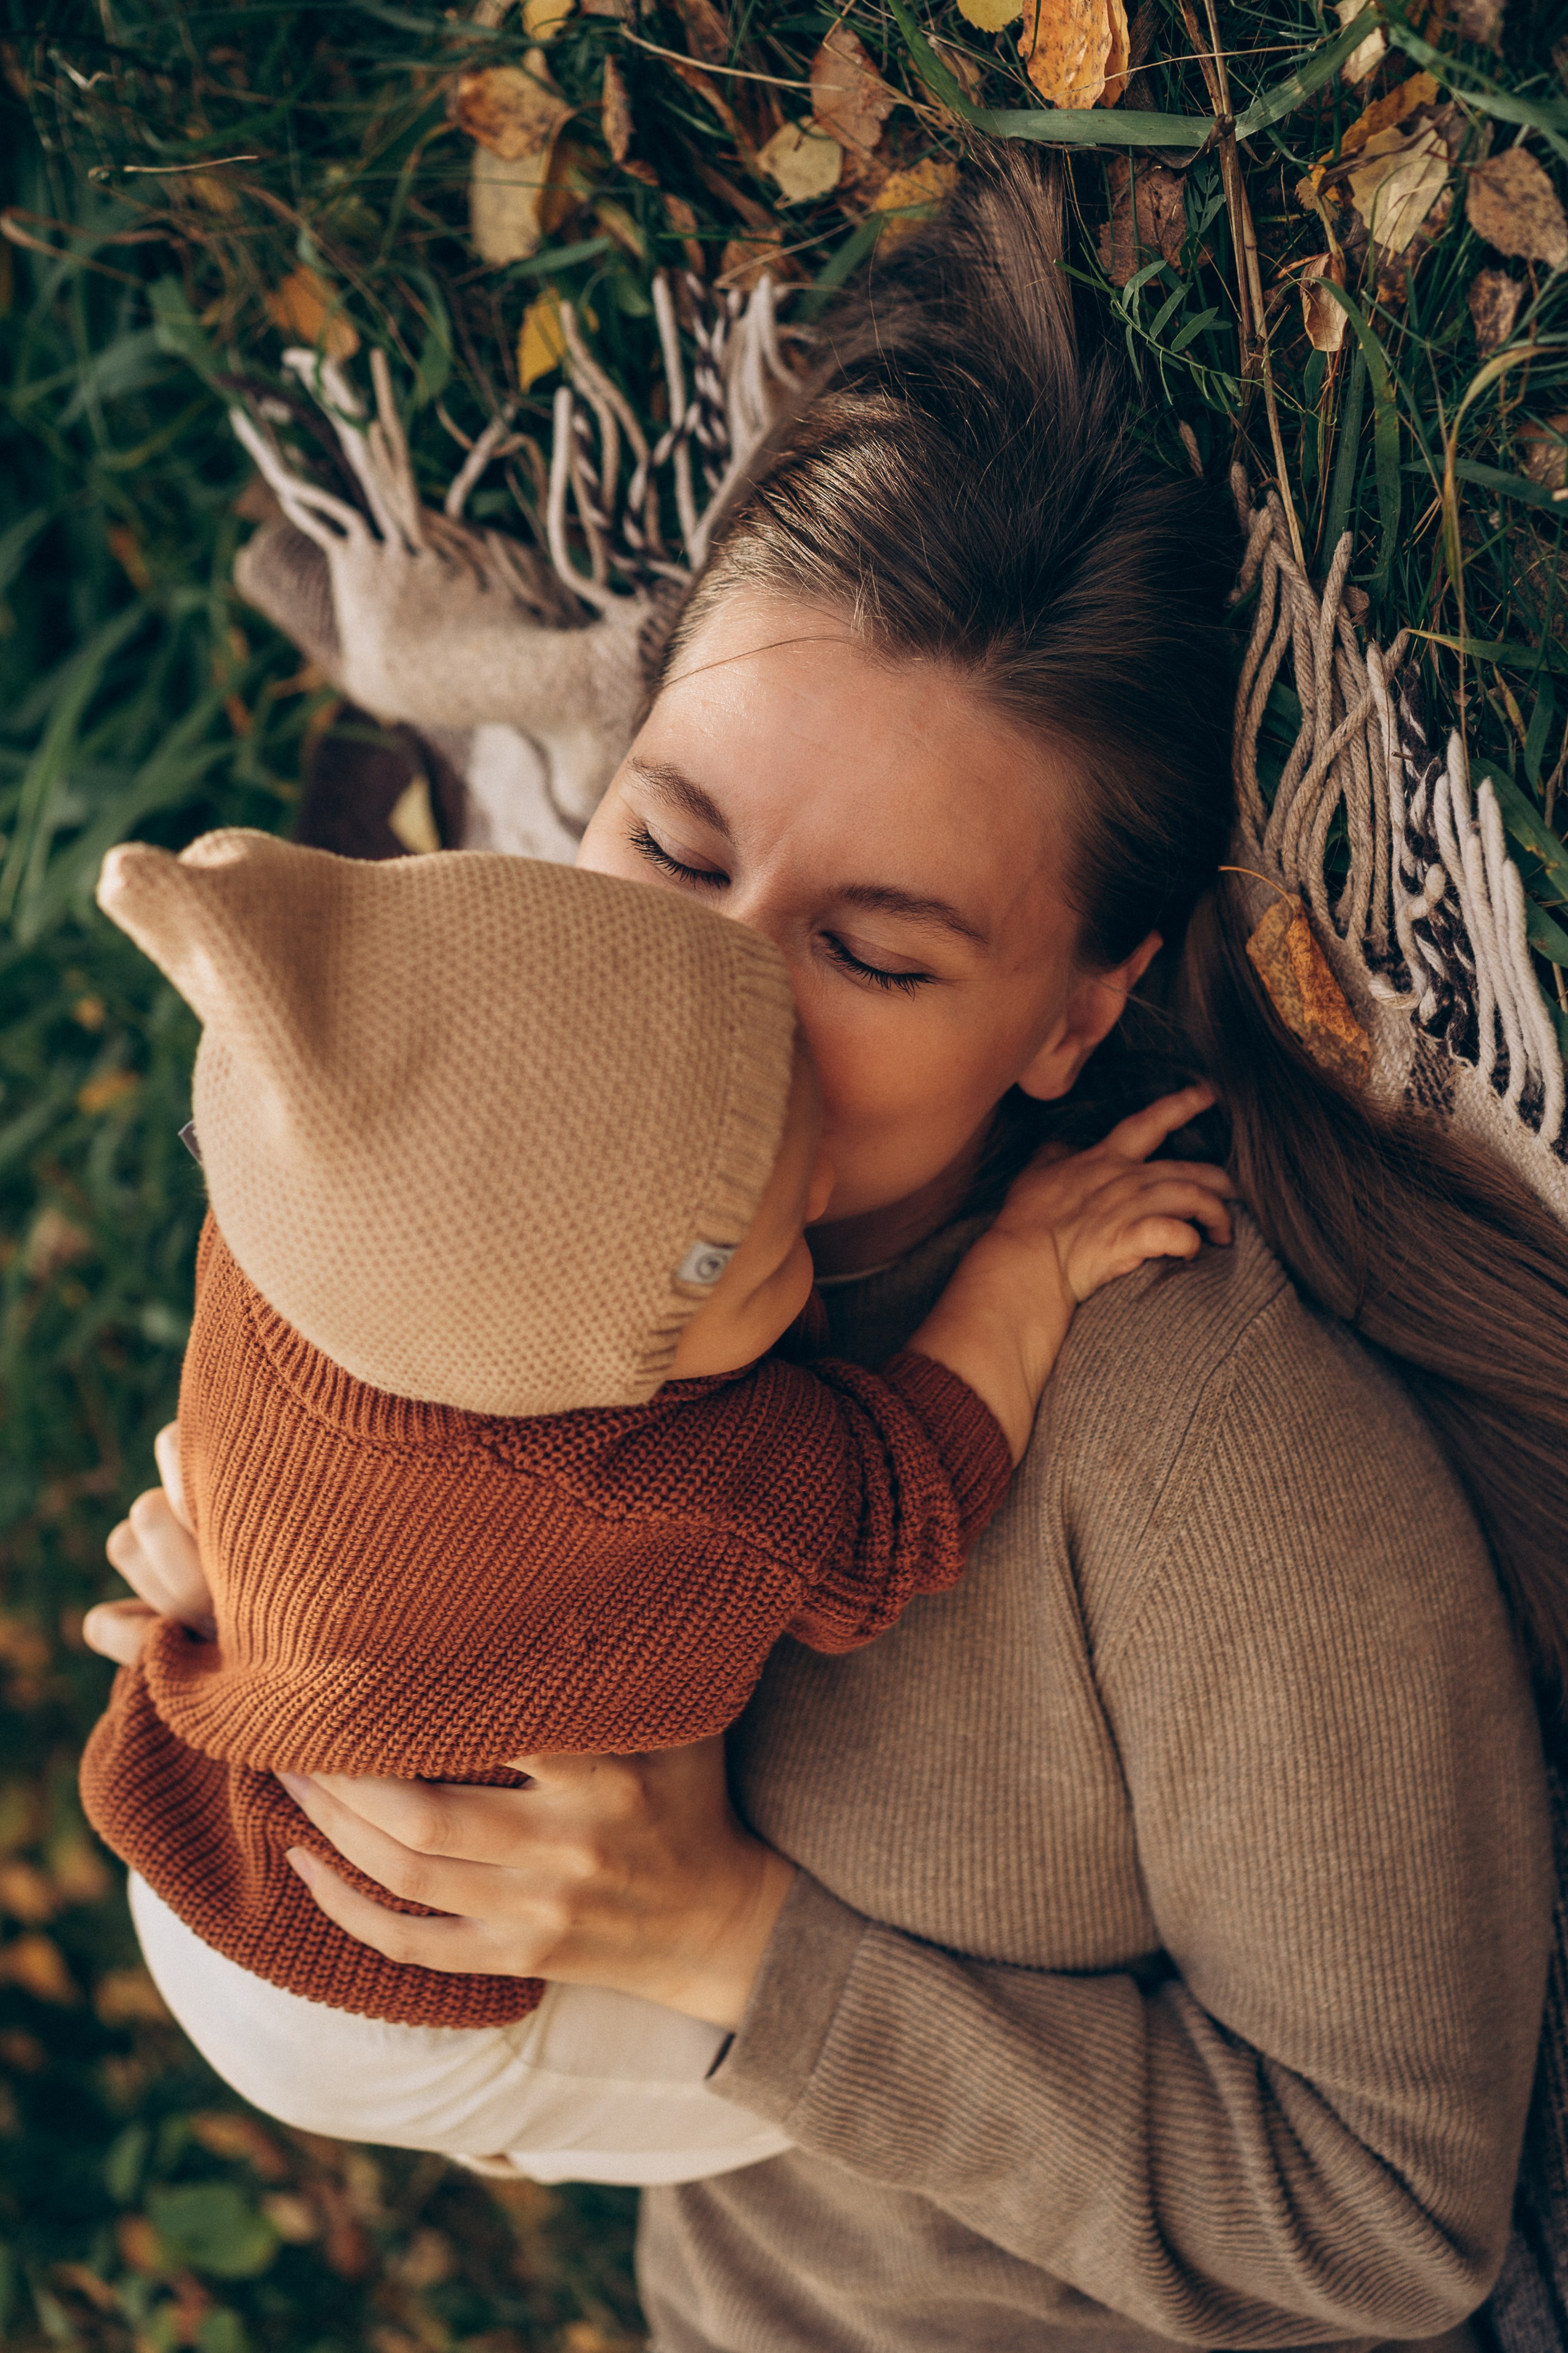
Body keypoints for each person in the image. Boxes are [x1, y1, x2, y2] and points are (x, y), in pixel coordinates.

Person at [90, 151, 1568, 2352]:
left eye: (873, 956)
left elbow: (1386, 2225)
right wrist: (320, 1608)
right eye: (671, 848)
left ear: (1079, 1010)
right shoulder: (502, 1187)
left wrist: (736, 1950)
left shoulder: (1211, 1477)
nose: (716, 1011)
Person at [81, 825, 1230, 2177]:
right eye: (769, 1260)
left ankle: (521, 2143)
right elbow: (893, 1503)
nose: (818, 1191)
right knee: (776, 2093)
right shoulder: (669, 1484)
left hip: (196, 1827)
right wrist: (1025, 1271)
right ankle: (528, 2129)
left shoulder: (304, 1204)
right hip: (404, 1984)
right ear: (593, 1376)